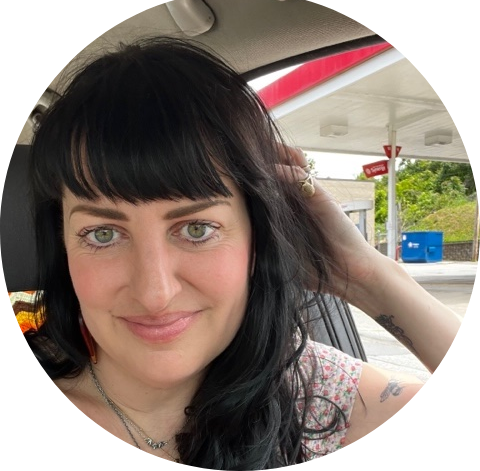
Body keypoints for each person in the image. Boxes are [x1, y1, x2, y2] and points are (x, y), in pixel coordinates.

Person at [21, 36, 461, 468]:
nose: (155, 293)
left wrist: (367, 278)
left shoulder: (318, 399)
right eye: (102, 234)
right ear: (62, 243)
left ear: (257, 239)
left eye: (197, 229)